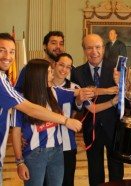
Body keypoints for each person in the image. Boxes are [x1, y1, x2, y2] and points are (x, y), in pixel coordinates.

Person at [0, 33, 81, 185]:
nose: (8, 56)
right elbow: (28, 112)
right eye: (2, 50)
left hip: (56, 150)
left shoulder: (55, 92)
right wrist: (19, 161)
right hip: (35, 153)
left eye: (12, 51)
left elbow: (79, 92)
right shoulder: (21, 94)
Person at [52, 53, 118, 186]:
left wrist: (112, 102)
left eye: (68, 67)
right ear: (54, 64)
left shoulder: (75, 87)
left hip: (66, 140)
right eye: (61, 65)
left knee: (67, 179)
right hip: (43, 140)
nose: (64, 69)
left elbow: (92, 108)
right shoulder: (43, 85)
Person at [71, 34, 123, 186]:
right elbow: (77, 102)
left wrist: (120, 85)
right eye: (89, 48)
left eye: (98, 47)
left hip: (114, 126)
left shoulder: (117, 68)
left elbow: (126, 98)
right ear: (84, 50)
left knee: (116, 168)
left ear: (104, 48)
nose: (94, 52)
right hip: (90, 128)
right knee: (94, 168)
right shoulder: (77, 72)